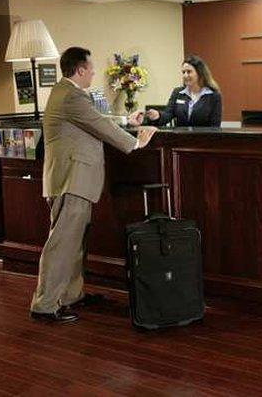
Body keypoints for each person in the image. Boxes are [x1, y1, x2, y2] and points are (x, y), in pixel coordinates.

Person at [30, 46, 156, 323]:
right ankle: (45, 304)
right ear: (80, 69)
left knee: (75, 244)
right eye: (91, 68)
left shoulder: (67, 94)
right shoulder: (71, 95)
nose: (94, 73)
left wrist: (125, 119)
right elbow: (98, 125)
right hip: (71, 180)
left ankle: (71, 296)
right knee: (63, 244)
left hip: (73, 179)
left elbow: (93, 120)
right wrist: (135, 142)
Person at [144, 55, 222, 127]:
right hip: (180, 140)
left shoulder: (213, 96)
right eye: (183, 72)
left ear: (200, 73)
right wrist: (158, 115)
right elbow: (168, 114)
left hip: (203, 140)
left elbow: (215, 126)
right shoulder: (178, 93)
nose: (185, 75)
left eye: (189, 72)